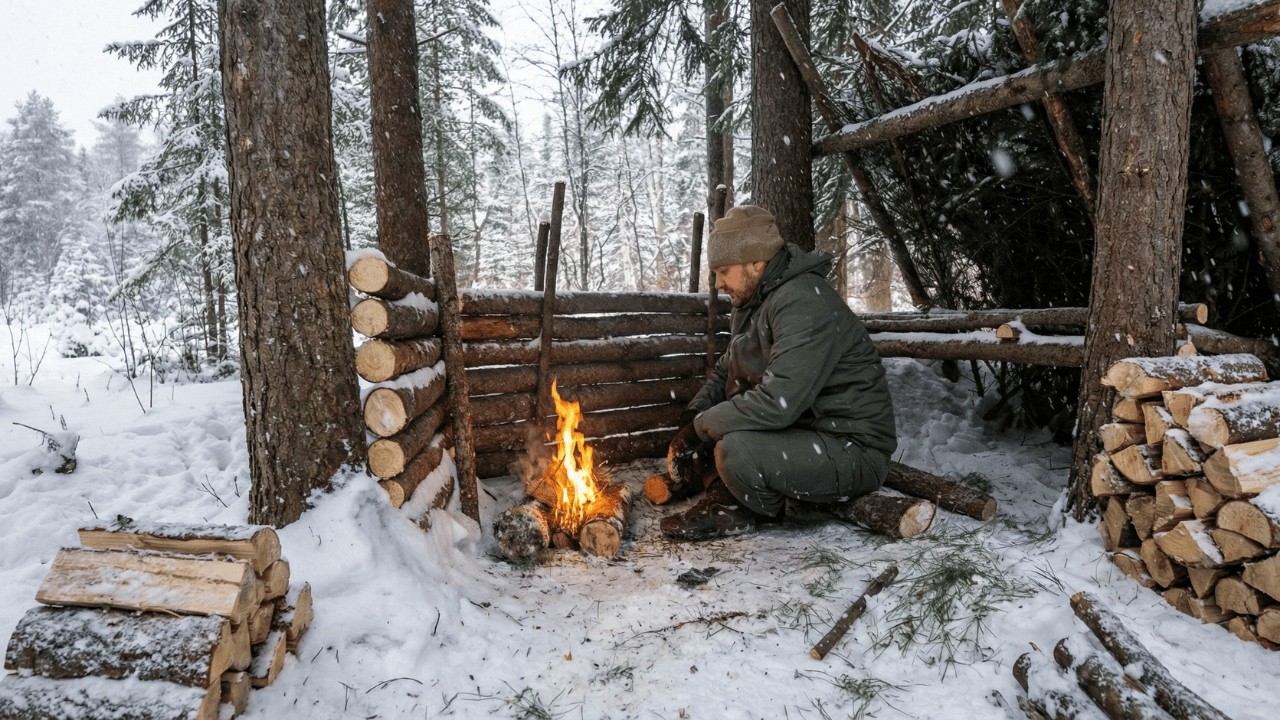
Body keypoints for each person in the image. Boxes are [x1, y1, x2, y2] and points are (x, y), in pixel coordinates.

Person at [657, 204, 897, 541]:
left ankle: (768, 508)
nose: (717, 282)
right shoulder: (754, 301)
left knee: (734, 452)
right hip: (805, 435)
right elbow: (728, 368)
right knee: (714, 445)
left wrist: (701, 428)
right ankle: (738, 496)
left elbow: (778, 402)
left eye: (724, 270)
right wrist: (693, 415)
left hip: (852, 447)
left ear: (756, 262)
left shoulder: (803, 303)